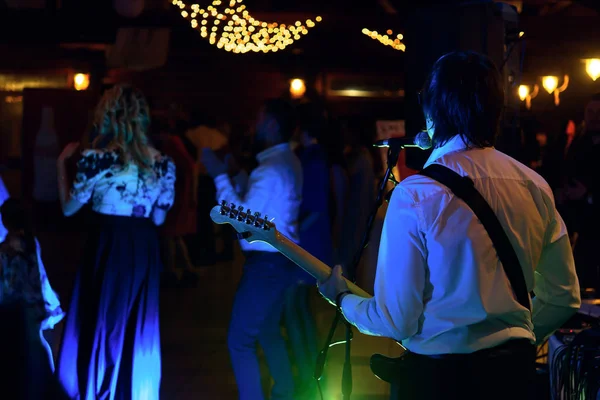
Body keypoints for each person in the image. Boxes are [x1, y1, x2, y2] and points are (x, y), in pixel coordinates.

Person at [318, 51, 581, 400]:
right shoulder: (534, 185)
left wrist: (342, 299)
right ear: (496, 111)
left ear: (431, 111)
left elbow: (396, 320)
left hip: (438, 381)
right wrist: (519, 337)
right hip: (514, 378)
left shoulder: (416, 194)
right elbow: (564, 296)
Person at [55, 85, 175, 400]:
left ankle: (100, 388)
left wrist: (60, 166)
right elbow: (160, 219)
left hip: (107, 243)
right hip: (142, 246)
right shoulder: (162, 163)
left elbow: (69, 209)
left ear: (107, 115)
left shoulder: (98, 159)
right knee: (137, 320)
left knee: (105, 318)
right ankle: (133, 389)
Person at [202, 98, 302, 400]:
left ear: (272, 124)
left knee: (240, 341)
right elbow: (265, 209)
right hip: (282, 261)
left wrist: (219, 174)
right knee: (269, 331)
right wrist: (238, 176)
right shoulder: (286, 161)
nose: (255, 124)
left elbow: (245, 225)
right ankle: (286, 391)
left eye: (259, 118)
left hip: (266, 265)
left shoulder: (271, 168)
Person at [0, 198, 61, 399]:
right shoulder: (30, 242)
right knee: (35, 343)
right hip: (31, 301)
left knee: (24, 344)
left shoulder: (13, 245)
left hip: (18, 303)